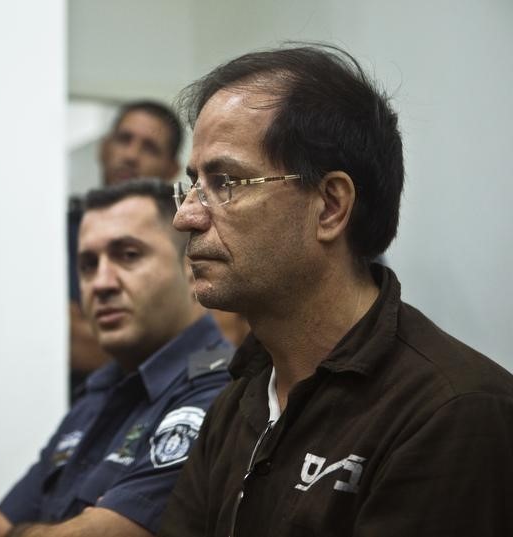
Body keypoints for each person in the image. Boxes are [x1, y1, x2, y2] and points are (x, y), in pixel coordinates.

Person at [159, 44, 513, 536]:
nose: (185, 216)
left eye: (226, 183)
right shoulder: (239, 400)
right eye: (193, 183)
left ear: (329, 206)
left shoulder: (452, 411)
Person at [0, 179, 233, 537]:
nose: (101, 283)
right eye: (87, 264)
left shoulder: (219, 390)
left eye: (128, 255)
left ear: (190, 269)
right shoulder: (99, 394)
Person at [69, 102, 248, 399]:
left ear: (172, 169)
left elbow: (225, 334)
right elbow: (64, 339)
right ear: (103, 149)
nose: (130, 156)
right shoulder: (65, 234)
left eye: (149, 148)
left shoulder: (198, 231)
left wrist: (143, 352)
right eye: (123, 140)